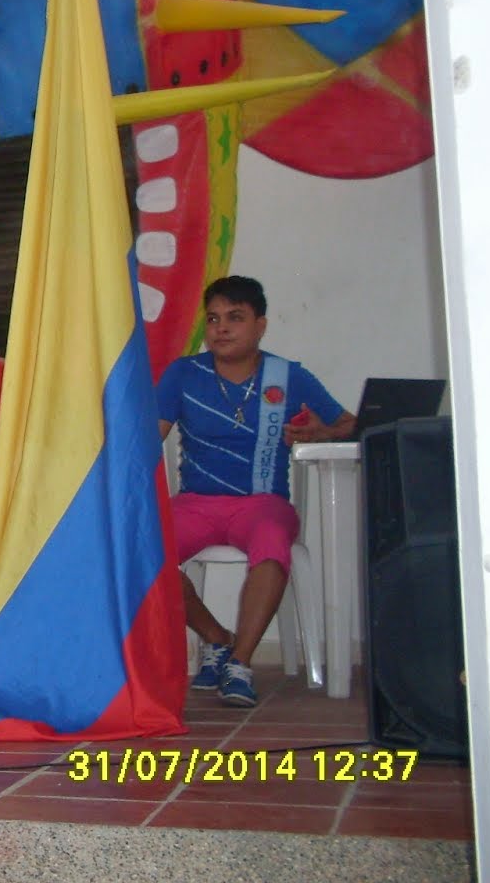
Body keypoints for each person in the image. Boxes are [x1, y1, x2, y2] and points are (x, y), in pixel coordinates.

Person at [156, 275, 355, 708]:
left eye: (235, 318)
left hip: (263, 504)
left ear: (260, 326)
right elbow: (149, 439)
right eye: (213, 319)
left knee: (270, 540)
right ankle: (219, 639)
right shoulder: (183, 374)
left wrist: (318, 433)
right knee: (143, 553)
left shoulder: (288, 376)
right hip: (195, 503)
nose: (221, 328)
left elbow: (350, 423)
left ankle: (239, 665)